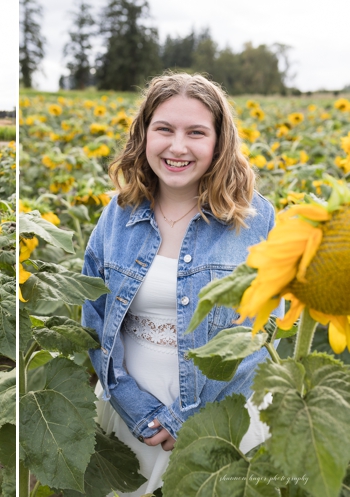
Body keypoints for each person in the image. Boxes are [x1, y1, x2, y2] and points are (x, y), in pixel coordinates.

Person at [82, 73, 282, 495]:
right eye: (164, 129)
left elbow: (263, 330)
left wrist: (187, 416)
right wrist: (133, 405)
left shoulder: (255, 219)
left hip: (222, 413)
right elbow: (94, 316)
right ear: (144, 135)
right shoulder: (117, 215)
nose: (177, 147)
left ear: (219, 142)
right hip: (131, 410)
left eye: (196, 132)